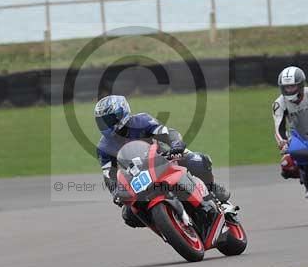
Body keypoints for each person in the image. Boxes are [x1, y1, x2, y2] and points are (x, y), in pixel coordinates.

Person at [94, 95, 232, 228]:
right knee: (128, 215)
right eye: (103, 121)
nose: (107, 124)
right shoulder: (104, 147)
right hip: (139, 178)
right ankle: (166, 225)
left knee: (196, 161)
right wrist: (116, 192)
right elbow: (108, 174)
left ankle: (212, 189)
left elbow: (168, 133)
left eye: (110, 119)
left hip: (163, 159)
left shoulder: (141, 121)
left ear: (122, 113)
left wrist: (176, 145)